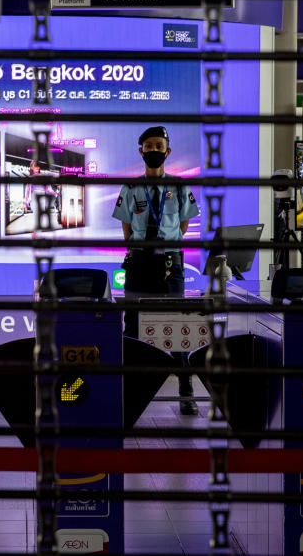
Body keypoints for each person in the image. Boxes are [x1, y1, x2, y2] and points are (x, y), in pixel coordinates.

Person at [113, 126, 201, 415]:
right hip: (139, 264)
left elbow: (184, 225)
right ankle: (127, 394)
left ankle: (186, 393)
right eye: (148, 146)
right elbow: (126, 229)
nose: (153, 151)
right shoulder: (130, 189)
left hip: (169, 266)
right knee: (134, 328)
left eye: (158, 146)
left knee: (178, 330)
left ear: (168, 151)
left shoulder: (179, 187)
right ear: (141, 151)